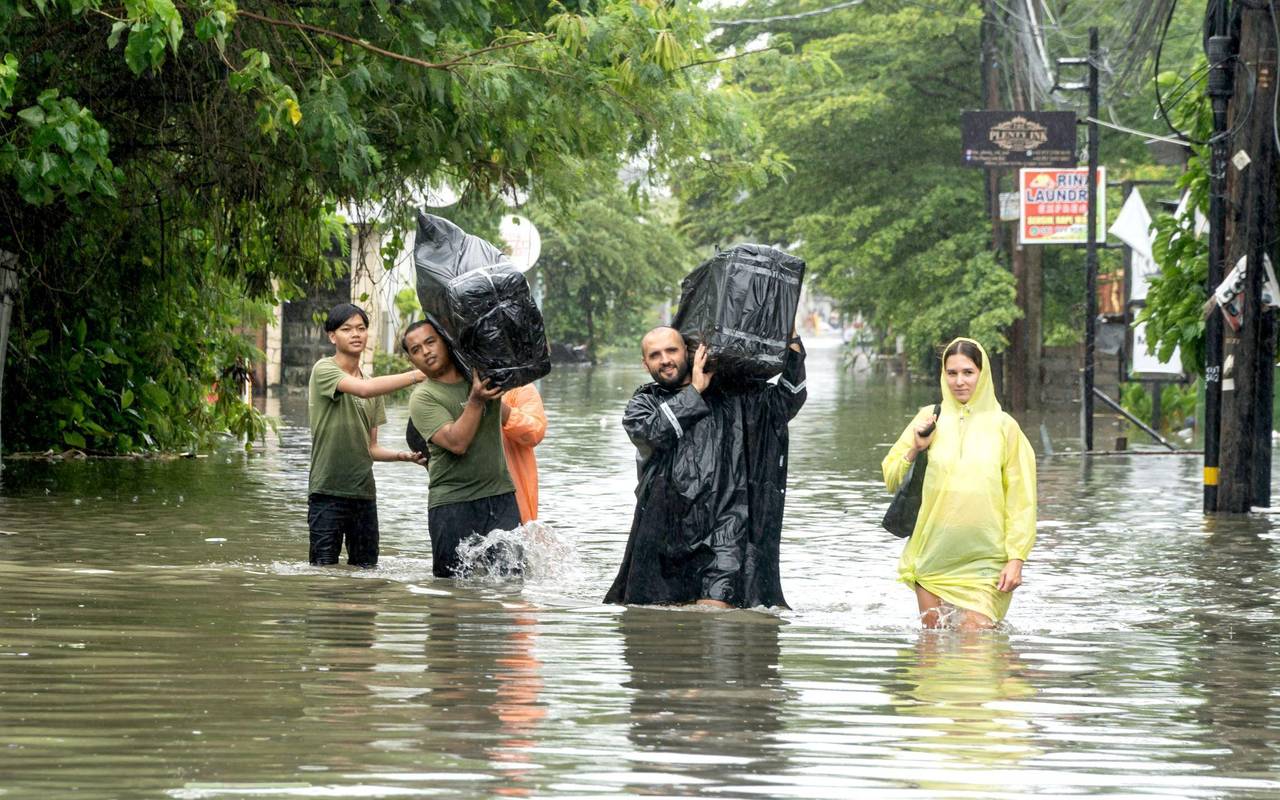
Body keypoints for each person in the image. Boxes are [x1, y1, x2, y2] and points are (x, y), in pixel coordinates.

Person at [604, 325, 807, 609]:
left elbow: (787, 401)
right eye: (655, 355)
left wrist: (793, 343)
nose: (665, 360)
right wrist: (695, 391)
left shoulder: (733, 395)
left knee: (715, 616)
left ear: (687, 351)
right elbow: (651, 433)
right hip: (667, 533)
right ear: (645, 363)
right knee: (663, 624)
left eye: (671, 350)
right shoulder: (644, 403)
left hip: (726, 528)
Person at [881, 337, 1036, 630]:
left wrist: (1017, 558)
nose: (959, 381)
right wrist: (915, 448)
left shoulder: (1005, 428)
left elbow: (1021, 500)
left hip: (986, 564)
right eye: (952, 373)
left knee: (976, 653)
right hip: (932, 558)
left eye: (968, 372)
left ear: (983, 374)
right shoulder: (929, 418)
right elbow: (891, 477)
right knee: (930, 658)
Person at [307, 303, 427, 568]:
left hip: (363, 494)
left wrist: (402, 456)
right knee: (322, 572)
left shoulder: (372, 385)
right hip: (327, 490)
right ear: (332, 336)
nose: (356, 334)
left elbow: (371, 448)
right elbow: (363, 390)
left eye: (361, 328)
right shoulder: (324, 370)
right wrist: (419, 374)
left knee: (366, 572)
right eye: (347, 329)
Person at [401, 319, 520, 577]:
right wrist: (475, 400)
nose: (426, 352)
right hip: (452, 505)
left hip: (500, 498)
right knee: (450, 594)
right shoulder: (423, 397)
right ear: (412, 361)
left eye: (430, 342)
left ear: (445, 340)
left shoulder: (481, 375)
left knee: (509, 586)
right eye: (416, 349)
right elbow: (457, 443)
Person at [501, 384, 547, 524]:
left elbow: (534, 432)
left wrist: (496, 406)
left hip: (513, 501)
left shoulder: (520, 388)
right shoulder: (447, 384)